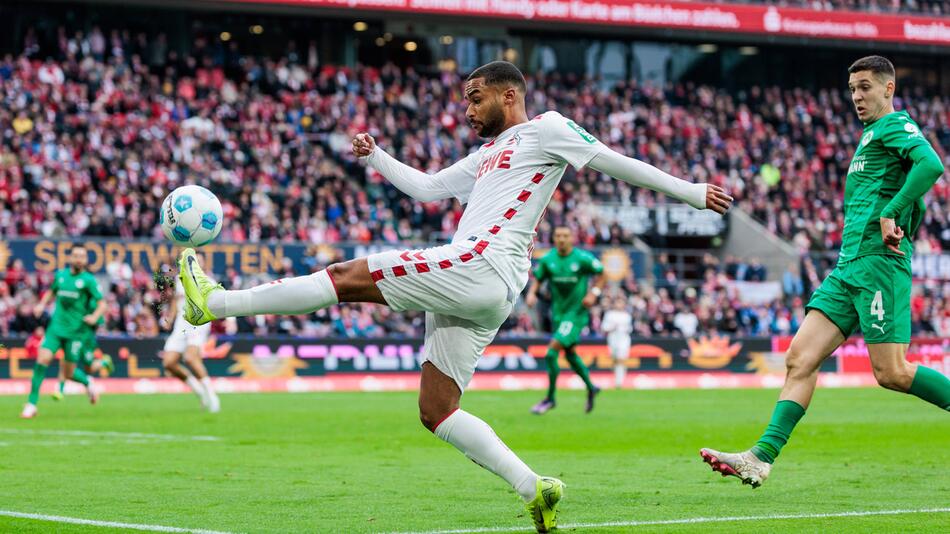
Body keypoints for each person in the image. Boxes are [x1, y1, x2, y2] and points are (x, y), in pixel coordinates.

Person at [178, 61, 731, 532]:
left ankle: (217, 305)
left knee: (348, 275)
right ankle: (533, 487)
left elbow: (614, 161)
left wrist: (690, 193)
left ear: (508, 94)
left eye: (475, 97)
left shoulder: (547, 129)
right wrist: (377, 157)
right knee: (436, 408)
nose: (467, 109)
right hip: (486, 284)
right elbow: (426, 188)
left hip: (481, 261)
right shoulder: (490, 154)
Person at [701, 56, 948, 488]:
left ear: (889, 89)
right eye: (852, 88)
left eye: (866, 87)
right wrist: (903, 216)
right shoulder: (869, 137)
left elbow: (931, 165)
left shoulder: (894, 126)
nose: (857, 96)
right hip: (847, 267)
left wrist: (893, 216)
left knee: (891, 372)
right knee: (799, 358)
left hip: (877, 268)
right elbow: (915, 191)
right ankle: (760, 458)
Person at [525, 227, 605, 414]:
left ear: (572, 238)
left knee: (551, 353)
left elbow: (602, 273)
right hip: (558, 314)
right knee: (569, 354)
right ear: (553, 238)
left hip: (576, 313)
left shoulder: (583, 258)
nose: (561, 239)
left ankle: (550, 399)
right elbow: (538, 279)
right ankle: (591, 387)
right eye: (558, 235)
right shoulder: (548, 260)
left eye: (565, 236)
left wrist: (594, 293)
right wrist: (531, 293)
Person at [22, 245, 106, 418]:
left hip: (75, 333)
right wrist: (41, 304)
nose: (78, 259)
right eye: (75, 255)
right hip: (55, 328)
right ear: (70, 258)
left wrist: (94, 316)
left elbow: (102, 304)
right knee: (42, 359)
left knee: (68, 373)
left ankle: (87, 382)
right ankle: (31, 404)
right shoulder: (60, 276)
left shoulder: (88, 280)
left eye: (82, 256)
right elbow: (51, 292)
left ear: (85, 260)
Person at [160, 267, 220, 413]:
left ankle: (212, 396)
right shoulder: (180, 279)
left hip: (198, 323)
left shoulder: (208, 282)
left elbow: (217, 303)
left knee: (190, 358)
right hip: (181, 323)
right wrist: (170, 318)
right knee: (168, 363)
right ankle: (199, 391)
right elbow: (176, 300)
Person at [601, 297, 633, 389]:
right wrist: (612, 327)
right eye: (618, 302)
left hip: (624, 339)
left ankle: (619, 382)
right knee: (615, 359)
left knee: (621, 358)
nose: (619, 305)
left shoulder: (627, 315)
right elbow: (604, 327)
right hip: (613, 338)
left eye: (621, 303)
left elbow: (629, 329)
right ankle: (617, 377)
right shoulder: (609, 314)